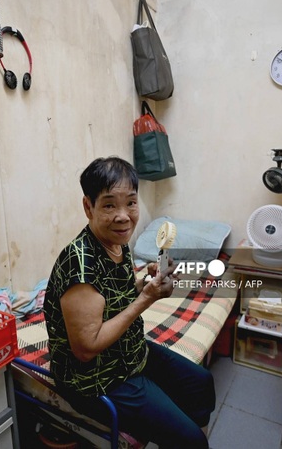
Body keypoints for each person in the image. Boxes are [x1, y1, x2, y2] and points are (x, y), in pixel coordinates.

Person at [43, 156, 215, 448]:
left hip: (129, 353)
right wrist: (147, 299)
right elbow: (86, 349)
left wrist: (144, 284)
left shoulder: (116, 243)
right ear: (89, 207)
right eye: (109, 205)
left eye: (131, 203)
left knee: (200, 383)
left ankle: (177, 427)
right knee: (193, 442)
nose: (123, 216)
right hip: (95, 378)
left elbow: (115, 297)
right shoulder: (80, 265)